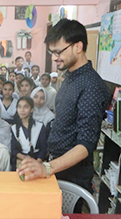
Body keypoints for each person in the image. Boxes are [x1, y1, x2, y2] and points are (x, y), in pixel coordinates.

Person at [17, 19, 110, 206]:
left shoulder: (91, 85)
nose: (54, 58)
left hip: (72, 174)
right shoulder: (70, 76)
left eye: (58, 52)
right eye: (52, 53)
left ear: (78, 46)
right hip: (57, 165)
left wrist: (47, 167)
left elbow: (86, 144)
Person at [11, 96, 48, 171]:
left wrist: (36, 163)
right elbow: (14, 150)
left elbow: (44, 149)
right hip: (21, 160)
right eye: (19, 107)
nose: (22, 110)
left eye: (26, 107)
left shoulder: (40, 126)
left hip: (37, 160)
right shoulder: (14, 128)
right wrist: (26, 159)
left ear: (32, 110)